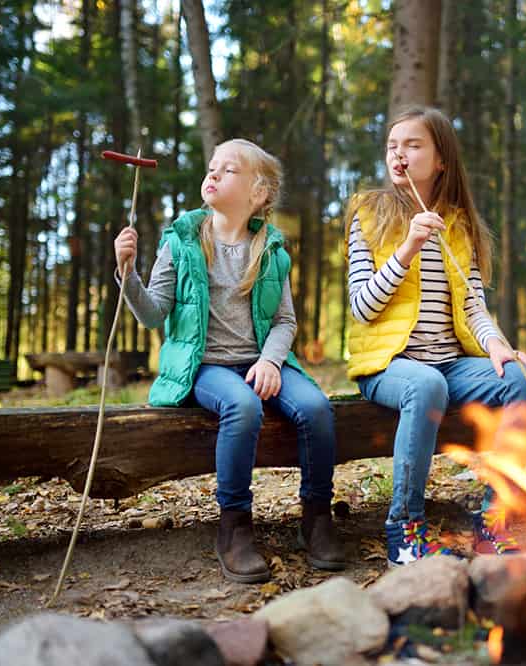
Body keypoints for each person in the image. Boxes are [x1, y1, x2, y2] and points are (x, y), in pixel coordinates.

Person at [114, 138, 346, 582]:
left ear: (258, 193)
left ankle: (317, 518)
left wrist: (272, 363)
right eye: (211, 167)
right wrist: (128, 275)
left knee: (317, 408)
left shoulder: (271, 250)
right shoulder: (181, 241)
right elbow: (152, 313)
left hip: (260, 361)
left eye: (228, 170)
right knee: (242, 405)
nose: (213, 175)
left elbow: (285, 321)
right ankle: (235, 525)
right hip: (205, 366)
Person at [345, 106, 526, 566]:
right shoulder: (369, 215)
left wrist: (497, 344)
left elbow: (473, 304)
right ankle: (405, 530)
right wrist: (408, 246)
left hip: (451, 363)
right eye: (392, 146)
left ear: (441, 160)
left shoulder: (458, 225)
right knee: (426, 383)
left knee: (525, 379)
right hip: (389, 367)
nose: (399, 154)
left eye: (412, 145)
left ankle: (494, 520)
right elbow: (362, 306)